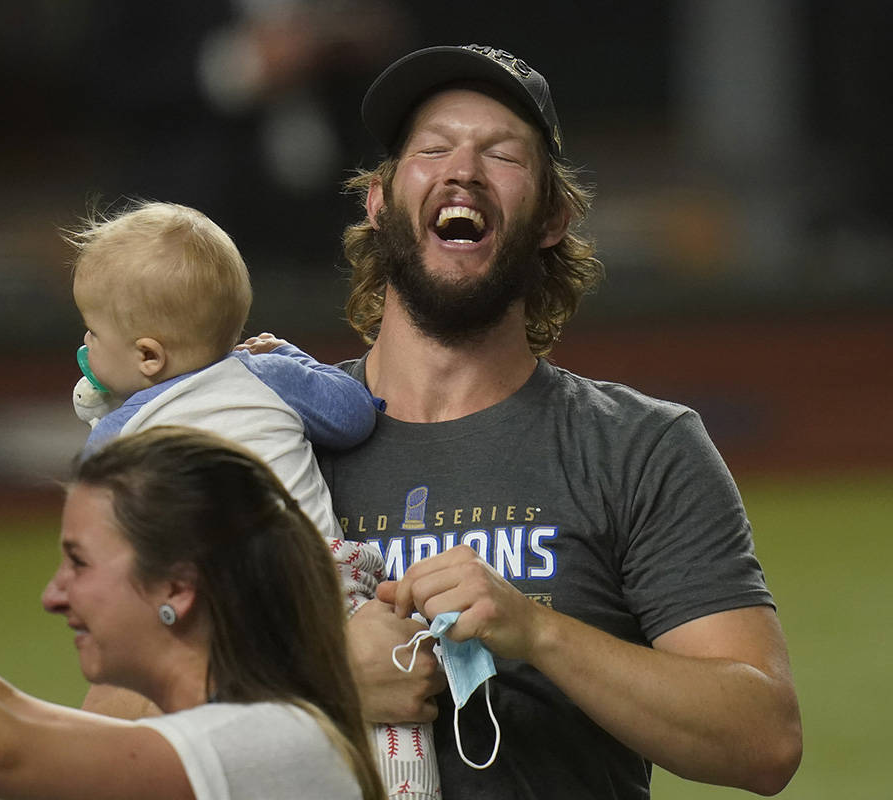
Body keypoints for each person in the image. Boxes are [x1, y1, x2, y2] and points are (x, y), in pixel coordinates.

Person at [314, 44, 803, 798]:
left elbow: (763, 740)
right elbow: (141, 707)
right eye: (434, 148)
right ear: (379, 202)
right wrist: (320, 679)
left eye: (501, 154)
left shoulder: (639, 446)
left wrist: (537, 632)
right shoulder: (274, 439)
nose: (464, 169)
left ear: (551, 215)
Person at [0, 425, 384, 799]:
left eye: (78, 563)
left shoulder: (274, 742)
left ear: (177, 589)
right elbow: (3, 706)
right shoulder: (250, 733)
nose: (53, 595)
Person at [66, 200, 442, 798]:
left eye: (90, 330)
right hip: (330, 585)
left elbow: (94, 521)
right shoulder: (263, 374)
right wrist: (288, 358)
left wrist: (106, 417)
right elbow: (352, 415)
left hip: (224, 612)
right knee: (393, 720)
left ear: (146, 356)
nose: (84, 342)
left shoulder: (122, 437)